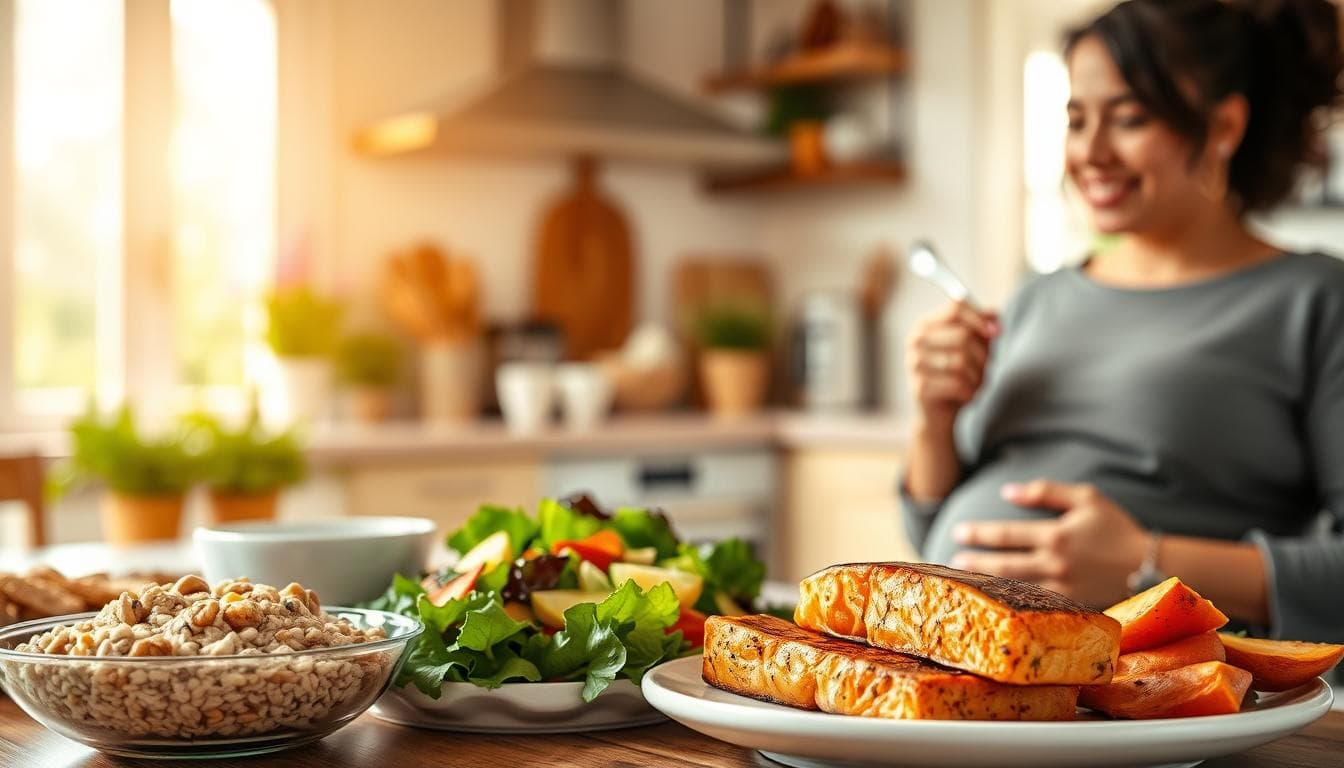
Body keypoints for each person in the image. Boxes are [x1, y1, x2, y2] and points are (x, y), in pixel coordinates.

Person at [902, 0, 1344, 642]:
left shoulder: (1312, 301)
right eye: (1076, 120)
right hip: (951, 672)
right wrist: (934, 421)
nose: (1091, 152)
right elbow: (932, 529)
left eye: (1130, 117)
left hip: (1141, 710)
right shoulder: (1038, 298)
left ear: (1224, 126)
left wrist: (1147, 562)